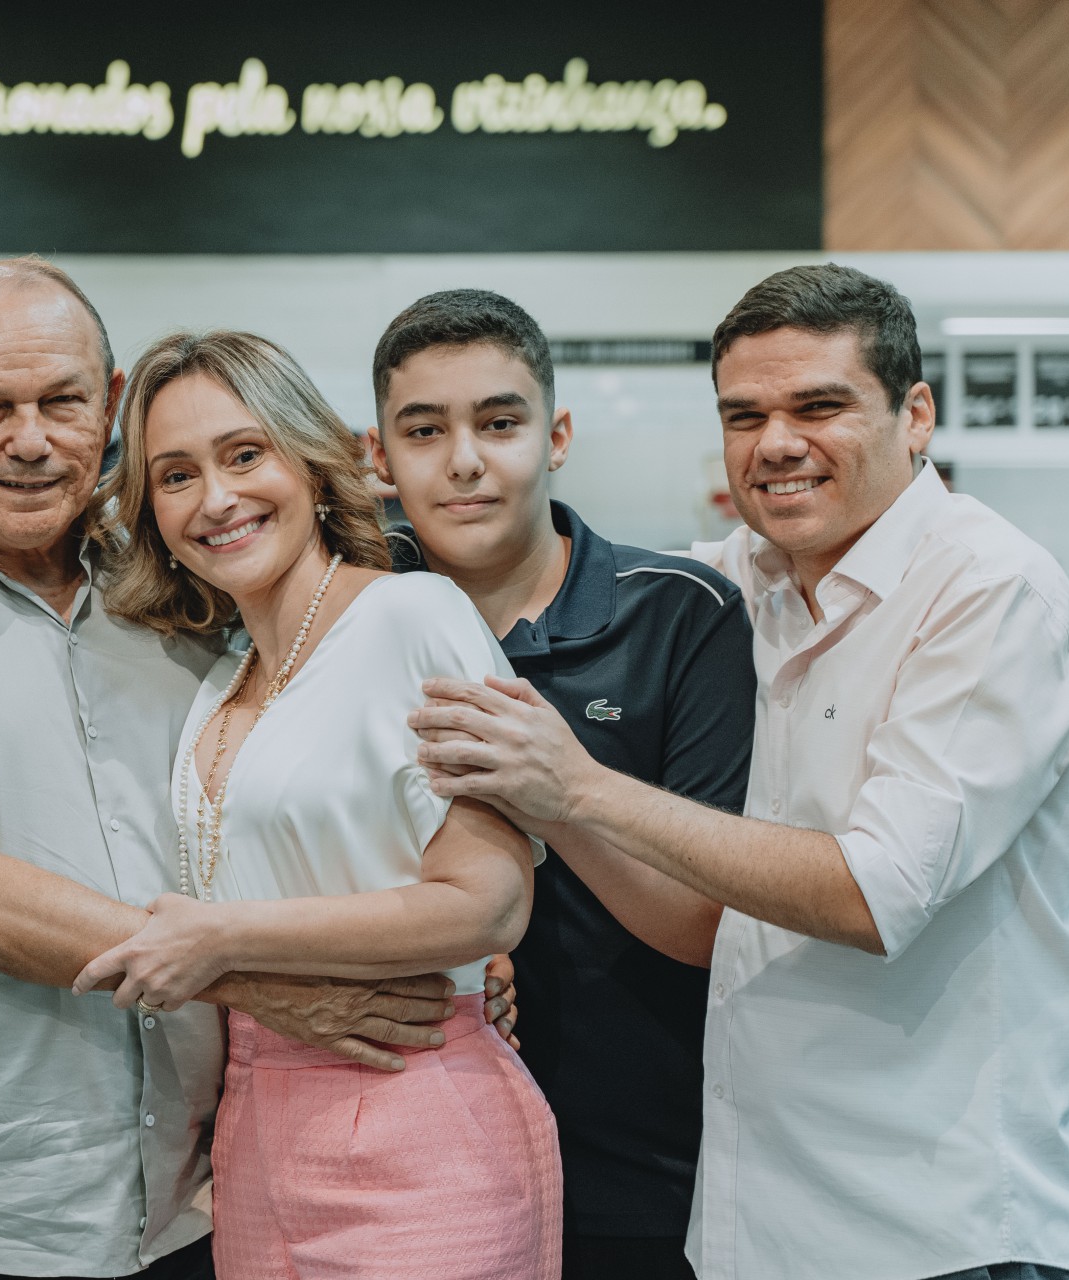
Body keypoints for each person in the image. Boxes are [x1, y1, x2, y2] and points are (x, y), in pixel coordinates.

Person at [418, 264, 1069, 1280]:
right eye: (744, 414)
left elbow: (876, 891)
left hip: (954, 1223)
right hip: (760, 1217)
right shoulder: (741, 578)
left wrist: (576, 791)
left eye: (818, 405)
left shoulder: (991, 590)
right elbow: (561, 577)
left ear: (916, 413)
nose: (776, 442)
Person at [0, 258, 472, 1280]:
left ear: (110, 403)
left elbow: (305, 809)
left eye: (62, 401)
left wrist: (463, 952)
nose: (31, 440)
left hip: (207, 1195)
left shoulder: (192, 582)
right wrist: (266, 981)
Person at [66, 329, 559, 1279]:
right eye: (174, 476)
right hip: (254, 1132)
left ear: (311, 458)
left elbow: (488, 903)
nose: (217, 499)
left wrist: (224, 939)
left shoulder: (413, 616)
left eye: (245, 455)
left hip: (419, 1117)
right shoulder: (219, 677)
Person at [368, 289, 754, 1278]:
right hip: (400, 1163)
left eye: (499, 422)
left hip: (636, 1175)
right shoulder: (343, 613)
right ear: (378, 455)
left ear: (558, 433)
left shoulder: (682, 617)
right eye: (425, 430)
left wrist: (561, 792)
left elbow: (711, 923)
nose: (464, 459)